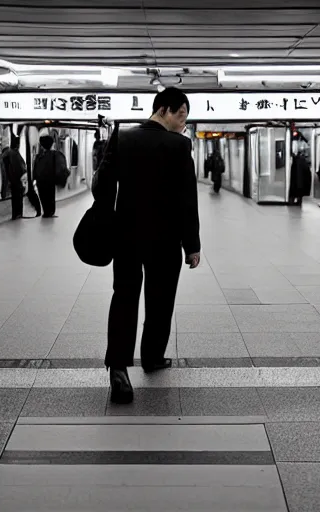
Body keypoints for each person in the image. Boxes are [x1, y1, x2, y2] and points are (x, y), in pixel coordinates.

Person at [92, 87, 201, 404]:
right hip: (165, 239)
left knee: (124, 298)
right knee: (160, 300)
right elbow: (187, 201)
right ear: (170, 110)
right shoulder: (179, 146)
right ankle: (152, 357)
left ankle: (118, 371)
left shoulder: (123, 137)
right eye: (183, 116)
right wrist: (191, 245)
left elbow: (101, 184)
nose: (183, 124)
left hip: (125, 235)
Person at [33, 135, 69, 218]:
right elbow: (61, 167)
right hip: (50, 180)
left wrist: (34, 178)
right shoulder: (56, 154)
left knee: (43, 196)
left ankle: (46, 212)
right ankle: (50, 212)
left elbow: (35, 169)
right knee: (50, 196)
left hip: (40, 181)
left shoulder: (39, 156)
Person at [1, 134, 27, 220]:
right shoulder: (15, 154)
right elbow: (21, 167)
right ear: (17, 144)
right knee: (19, 198)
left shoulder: (5, 154)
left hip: (10, 180)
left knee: (14, 198)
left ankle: (15, 214)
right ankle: (18, 214)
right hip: (17, 180)